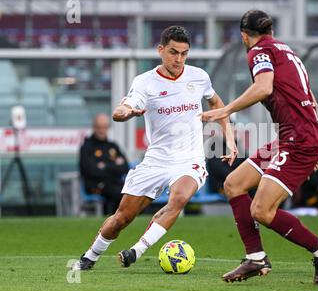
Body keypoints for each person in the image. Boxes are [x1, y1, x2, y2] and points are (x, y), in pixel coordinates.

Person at [73, 26, 236, 271]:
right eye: (173, 52)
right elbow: (121, 110)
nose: (179, 59)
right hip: (156, 161)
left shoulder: (199, 76)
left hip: (189, 158)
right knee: (122, 218)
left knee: (179, 199)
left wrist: (230, 139)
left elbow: (217, 103)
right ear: (160, 50)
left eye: (184, 53)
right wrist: (125, 113)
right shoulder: (145, 82)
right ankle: (90, 256)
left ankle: (136, 251)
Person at [201, 10, 318, 285]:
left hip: (298, 140)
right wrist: (315, 141)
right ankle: (255, 257)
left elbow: (263, 88)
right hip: (293, 137)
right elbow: (312, 100)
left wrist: (225, 110)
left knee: (262, 210)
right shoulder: (287, 51)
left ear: (244, 36)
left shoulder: (259, 51)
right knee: (234, 184)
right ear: (270, 29)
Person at [79, 113, 129, 215]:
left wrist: (105, 166)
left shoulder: (113, 146)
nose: (102, 130)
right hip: (95, 186)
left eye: (105, 127)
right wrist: (114, 165)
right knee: (116, 193)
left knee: (131, 193)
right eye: (99, 127)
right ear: (94, 127)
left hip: (115, 183)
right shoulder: (87, 147)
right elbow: (92, 171)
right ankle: (111, 220)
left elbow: (125, 168)